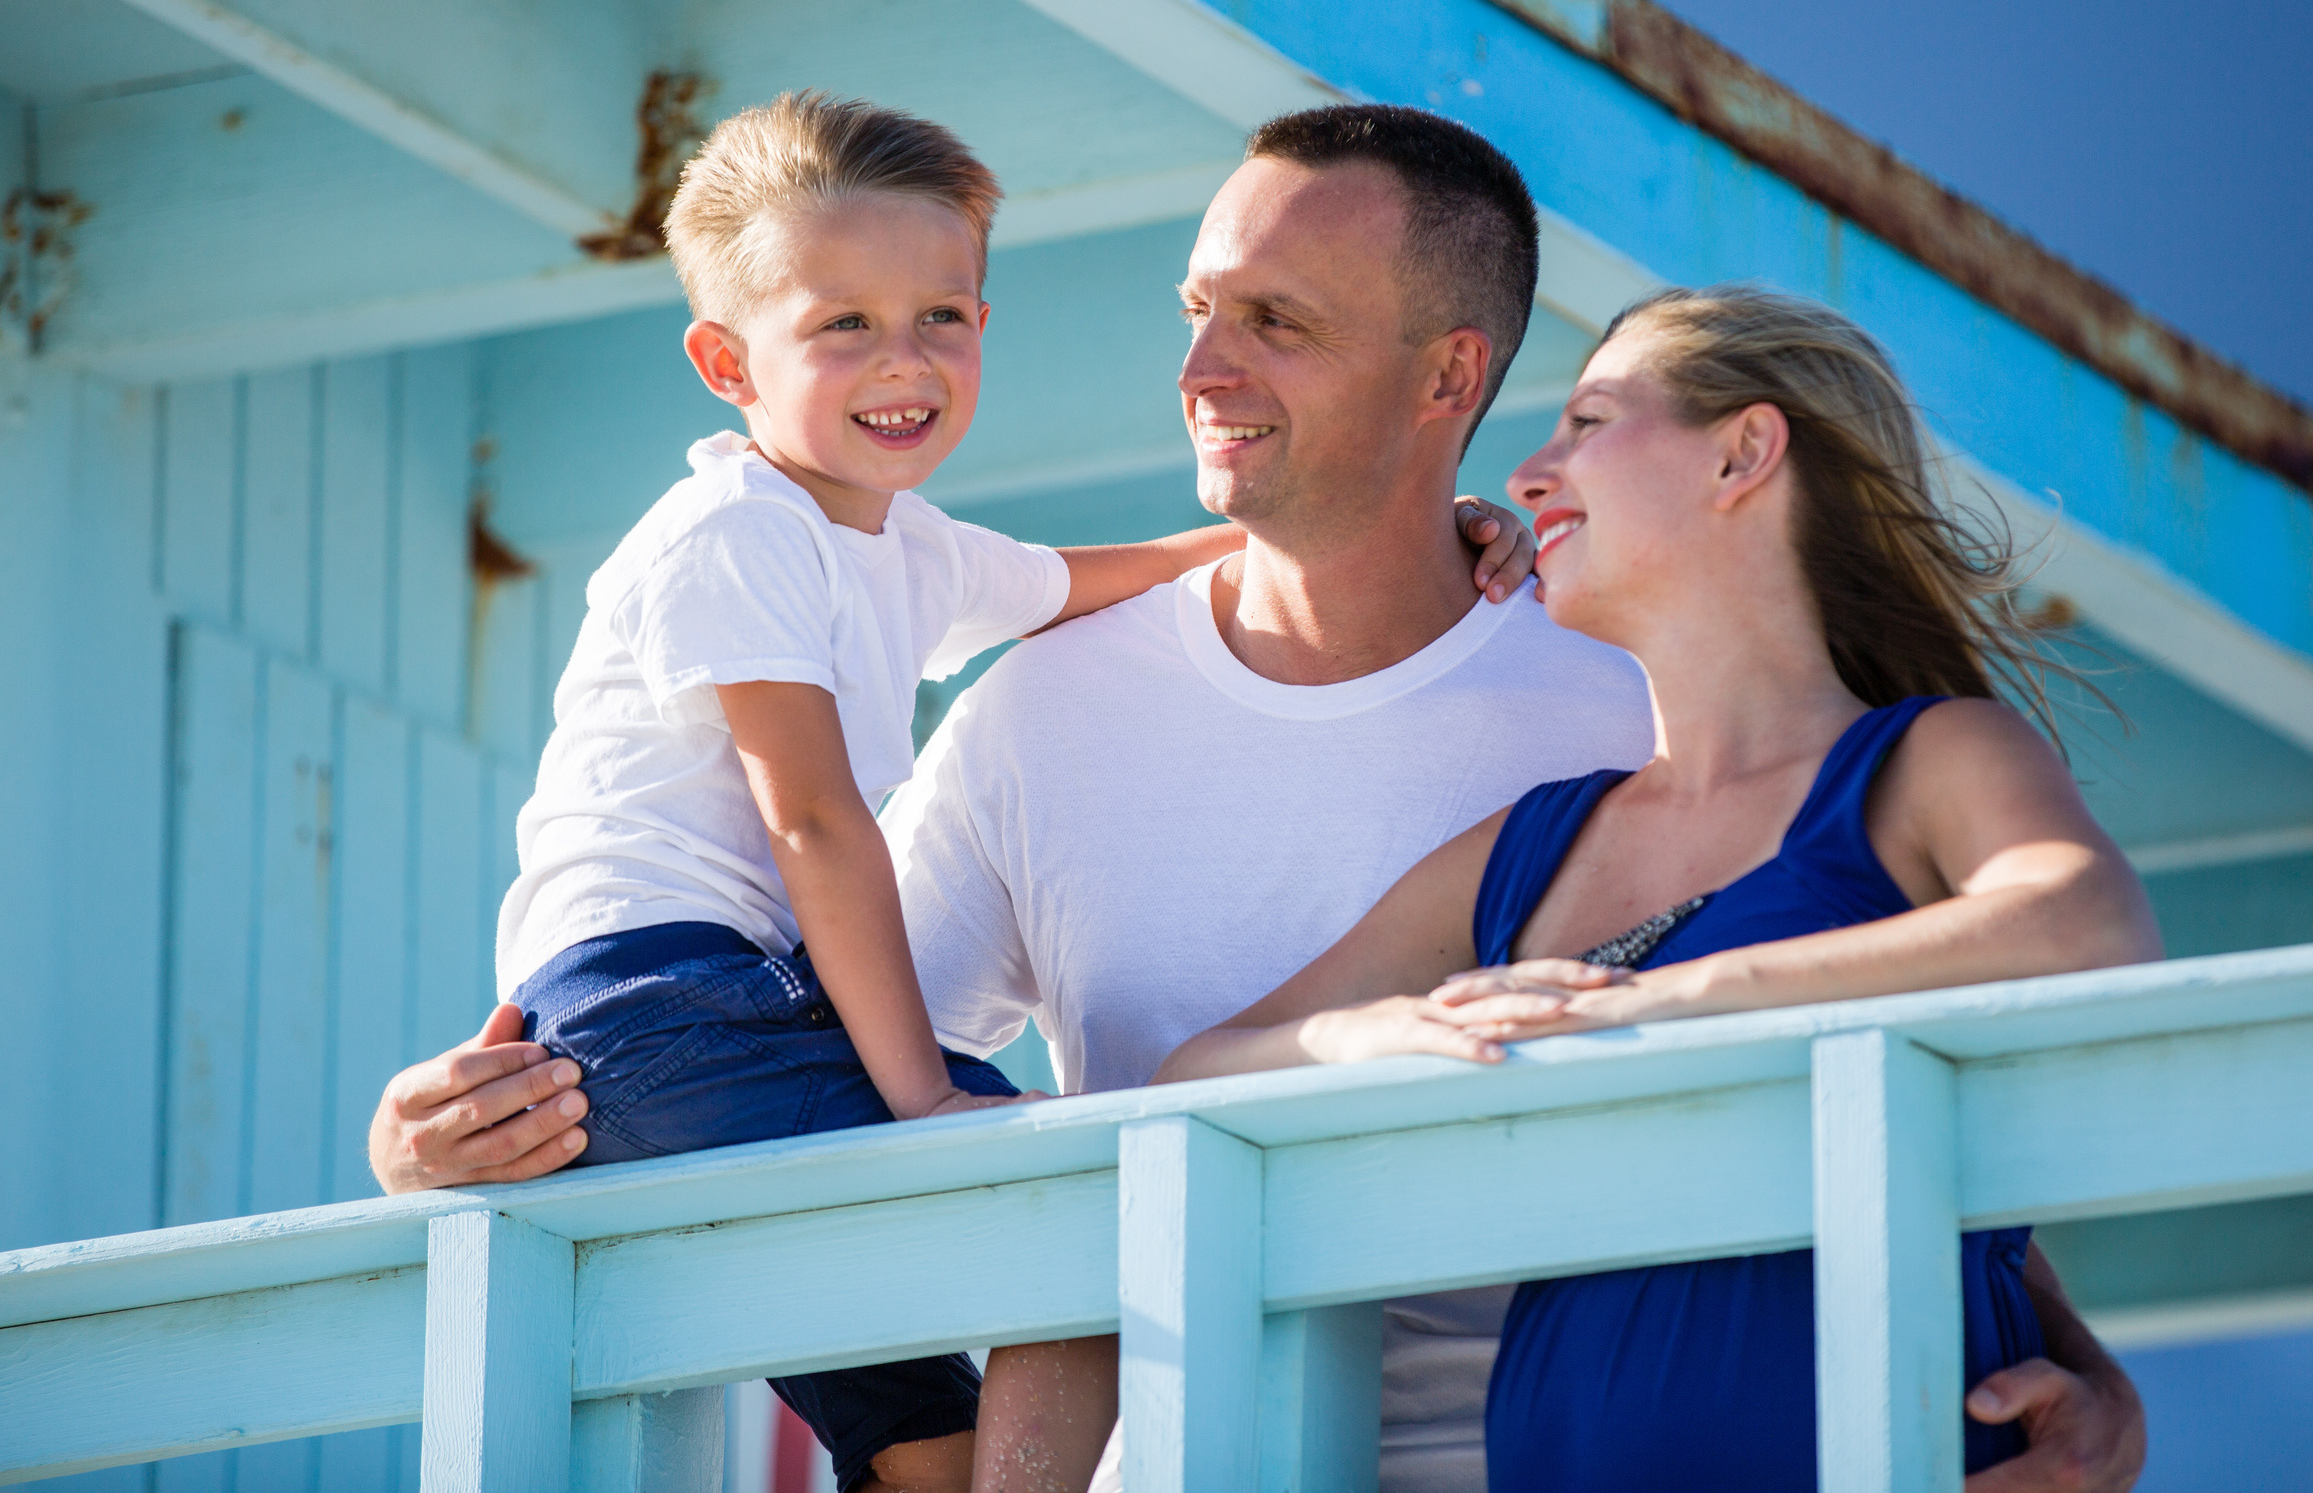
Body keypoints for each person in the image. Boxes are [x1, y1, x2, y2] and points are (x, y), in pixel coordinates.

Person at [371, 106, 2147, 1493]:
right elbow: (778, 1044)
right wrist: (449, 1137)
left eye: (1276, 322)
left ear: (1452, 376)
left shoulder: (1631, 689)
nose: (1204, 366)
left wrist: (2089, 1370)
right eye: (1198, 311)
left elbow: (1895, 1003)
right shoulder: (1034, 711)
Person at [482, 89, 1535, 1493]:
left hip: (703, 1020)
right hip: (663, 1001)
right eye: (841, 322)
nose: (901, 358)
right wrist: (918, 1089)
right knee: (1076, 1176)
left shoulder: (902, 547)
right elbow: (810, 821)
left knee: (922, 1416)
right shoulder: (736, 530)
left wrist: (1431, 536)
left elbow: (1107, 570)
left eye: (946, 315)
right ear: (727, 361)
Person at [1157, 285, 2165, 1491]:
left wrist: (1664, 1006)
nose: (1530, 475)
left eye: (1588, 421)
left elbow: (2086, 923)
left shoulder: (1923, 764)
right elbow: (1199, 1070)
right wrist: (1388, 1033)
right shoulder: (1530, 847)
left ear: (1742, 453)